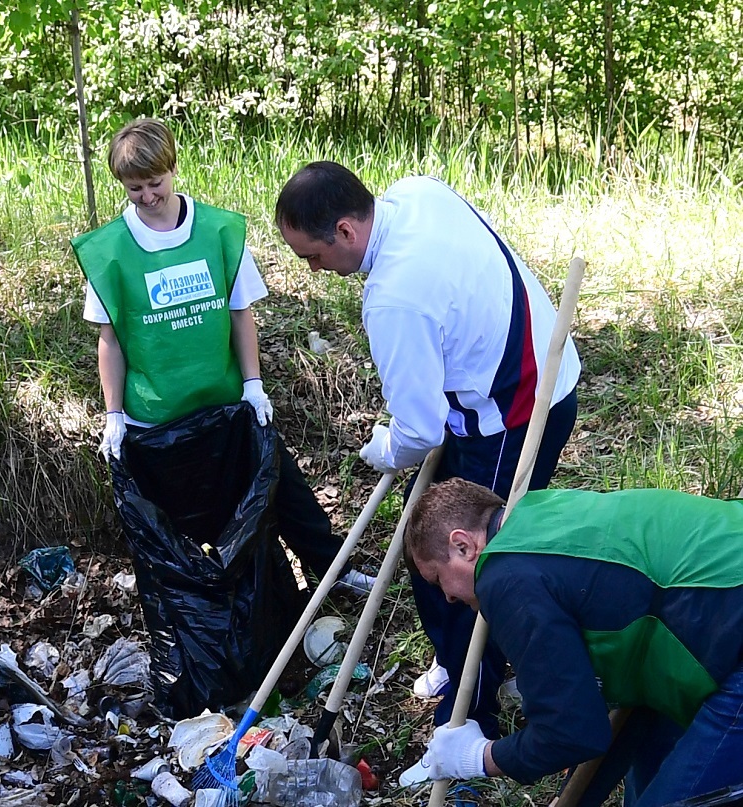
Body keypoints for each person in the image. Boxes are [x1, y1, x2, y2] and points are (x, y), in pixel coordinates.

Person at [275, 162, 581, 747]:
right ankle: (454, 658)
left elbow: (419, 429)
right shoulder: (416, 192)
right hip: (528, 375)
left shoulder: (394, 299)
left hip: (517, 409)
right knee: (424, 536)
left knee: (466, 564)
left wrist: (386, 447)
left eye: (312, 256)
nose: (315, 270)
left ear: (345, 230)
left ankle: (466, 719)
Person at [71, 120, 373, 595]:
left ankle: (335, 572)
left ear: (173, 168)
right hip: (156, 418)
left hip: (227, 402)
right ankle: (211, 609)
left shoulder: (217, 231)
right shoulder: (110, 250)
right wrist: (113, 415)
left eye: (155, 183)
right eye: (134, 188)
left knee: (284, 489)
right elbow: (110, 340)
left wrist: (253, 385)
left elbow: (239, 313)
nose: (147, 196)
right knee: (178, 528)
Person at [402, 477, 743, 807]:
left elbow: (569, 732)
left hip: (732, 629)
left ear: (463, 545)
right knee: (650, 778)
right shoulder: (542, 513)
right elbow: (605, 718)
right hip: (716, 613)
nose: (447, 597)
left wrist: (477, 757)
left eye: (437, 578)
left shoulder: (506, 579)